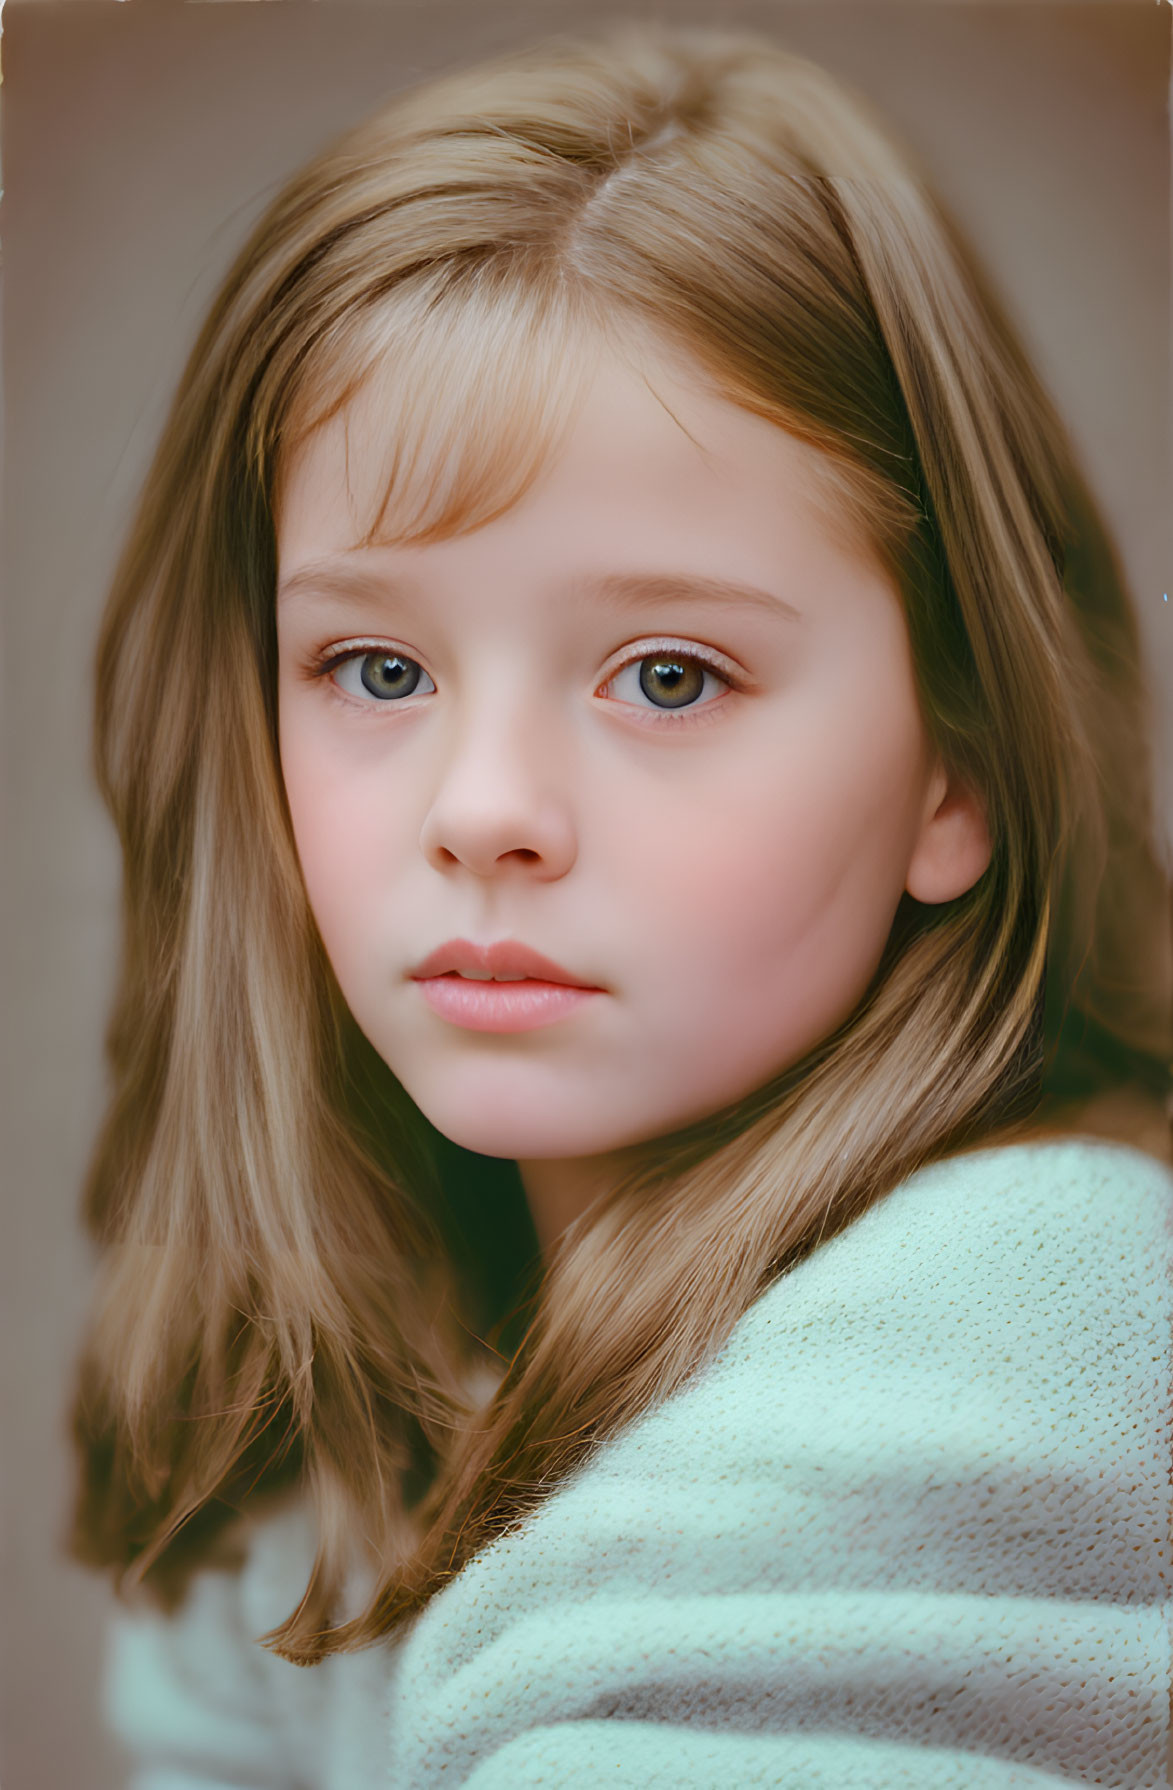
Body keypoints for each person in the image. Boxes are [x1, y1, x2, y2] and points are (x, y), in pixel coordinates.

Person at [68, 21, 1172, 1788]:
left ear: (955, 765)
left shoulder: (1028, 1330)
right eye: (371, 665)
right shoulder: (322, 1404)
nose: (485, 808)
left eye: (666, 677)